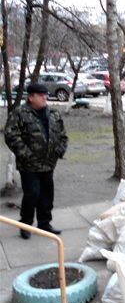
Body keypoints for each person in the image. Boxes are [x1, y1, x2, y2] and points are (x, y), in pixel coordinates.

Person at [4, 83, 68, 239]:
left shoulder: (53, 113)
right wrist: (26, 154)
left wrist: (59, 150)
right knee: (32, 194)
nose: (45, 98)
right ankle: (25, 224)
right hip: (29, 165)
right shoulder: (20, 113)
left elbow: (62, 135)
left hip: (48, 163)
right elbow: (11, 136)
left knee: (47, 195)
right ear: (31, 97)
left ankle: (44, 224)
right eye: (41, 95)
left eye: (45, 95)